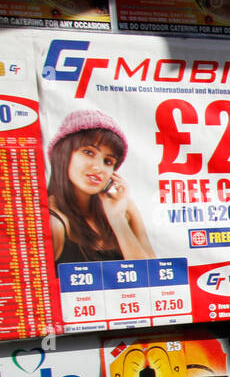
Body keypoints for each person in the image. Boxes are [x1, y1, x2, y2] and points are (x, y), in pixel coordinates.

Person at [47, 108, 155, 263]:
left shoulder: (124, 209)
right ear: (63, 154)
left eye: (108, 161)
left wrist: (117, 220)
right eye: (89, 152)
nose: (98, 167)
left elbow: (153, 275)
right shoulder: (54, 222)